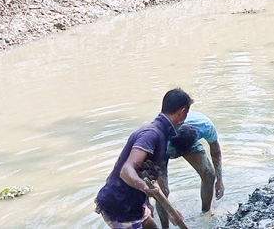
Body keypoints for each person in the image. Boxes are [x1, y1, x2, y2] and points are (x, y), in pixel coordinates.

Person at [96, 88, 193, 229]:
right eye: (187, 113)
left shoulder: (160, 134)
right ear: (183, 111)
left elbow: (151, 179)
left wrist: (170, 209)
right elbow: (126, 170)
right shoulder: (151, 134)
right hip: (120, 207)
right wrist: (144, 188)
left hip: (134, 205)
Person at [156, 112, 225, 228]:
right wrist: (168, 208)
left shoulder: (205, 126)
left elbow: (215, 150)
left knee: (209, 175)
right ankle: (165, 227)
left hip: (187, 140)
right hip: (165, 145)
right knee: (163, 190)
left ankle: (206, 213)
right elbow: (150, 179)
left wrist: (219, 179)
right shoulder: (156, 135)